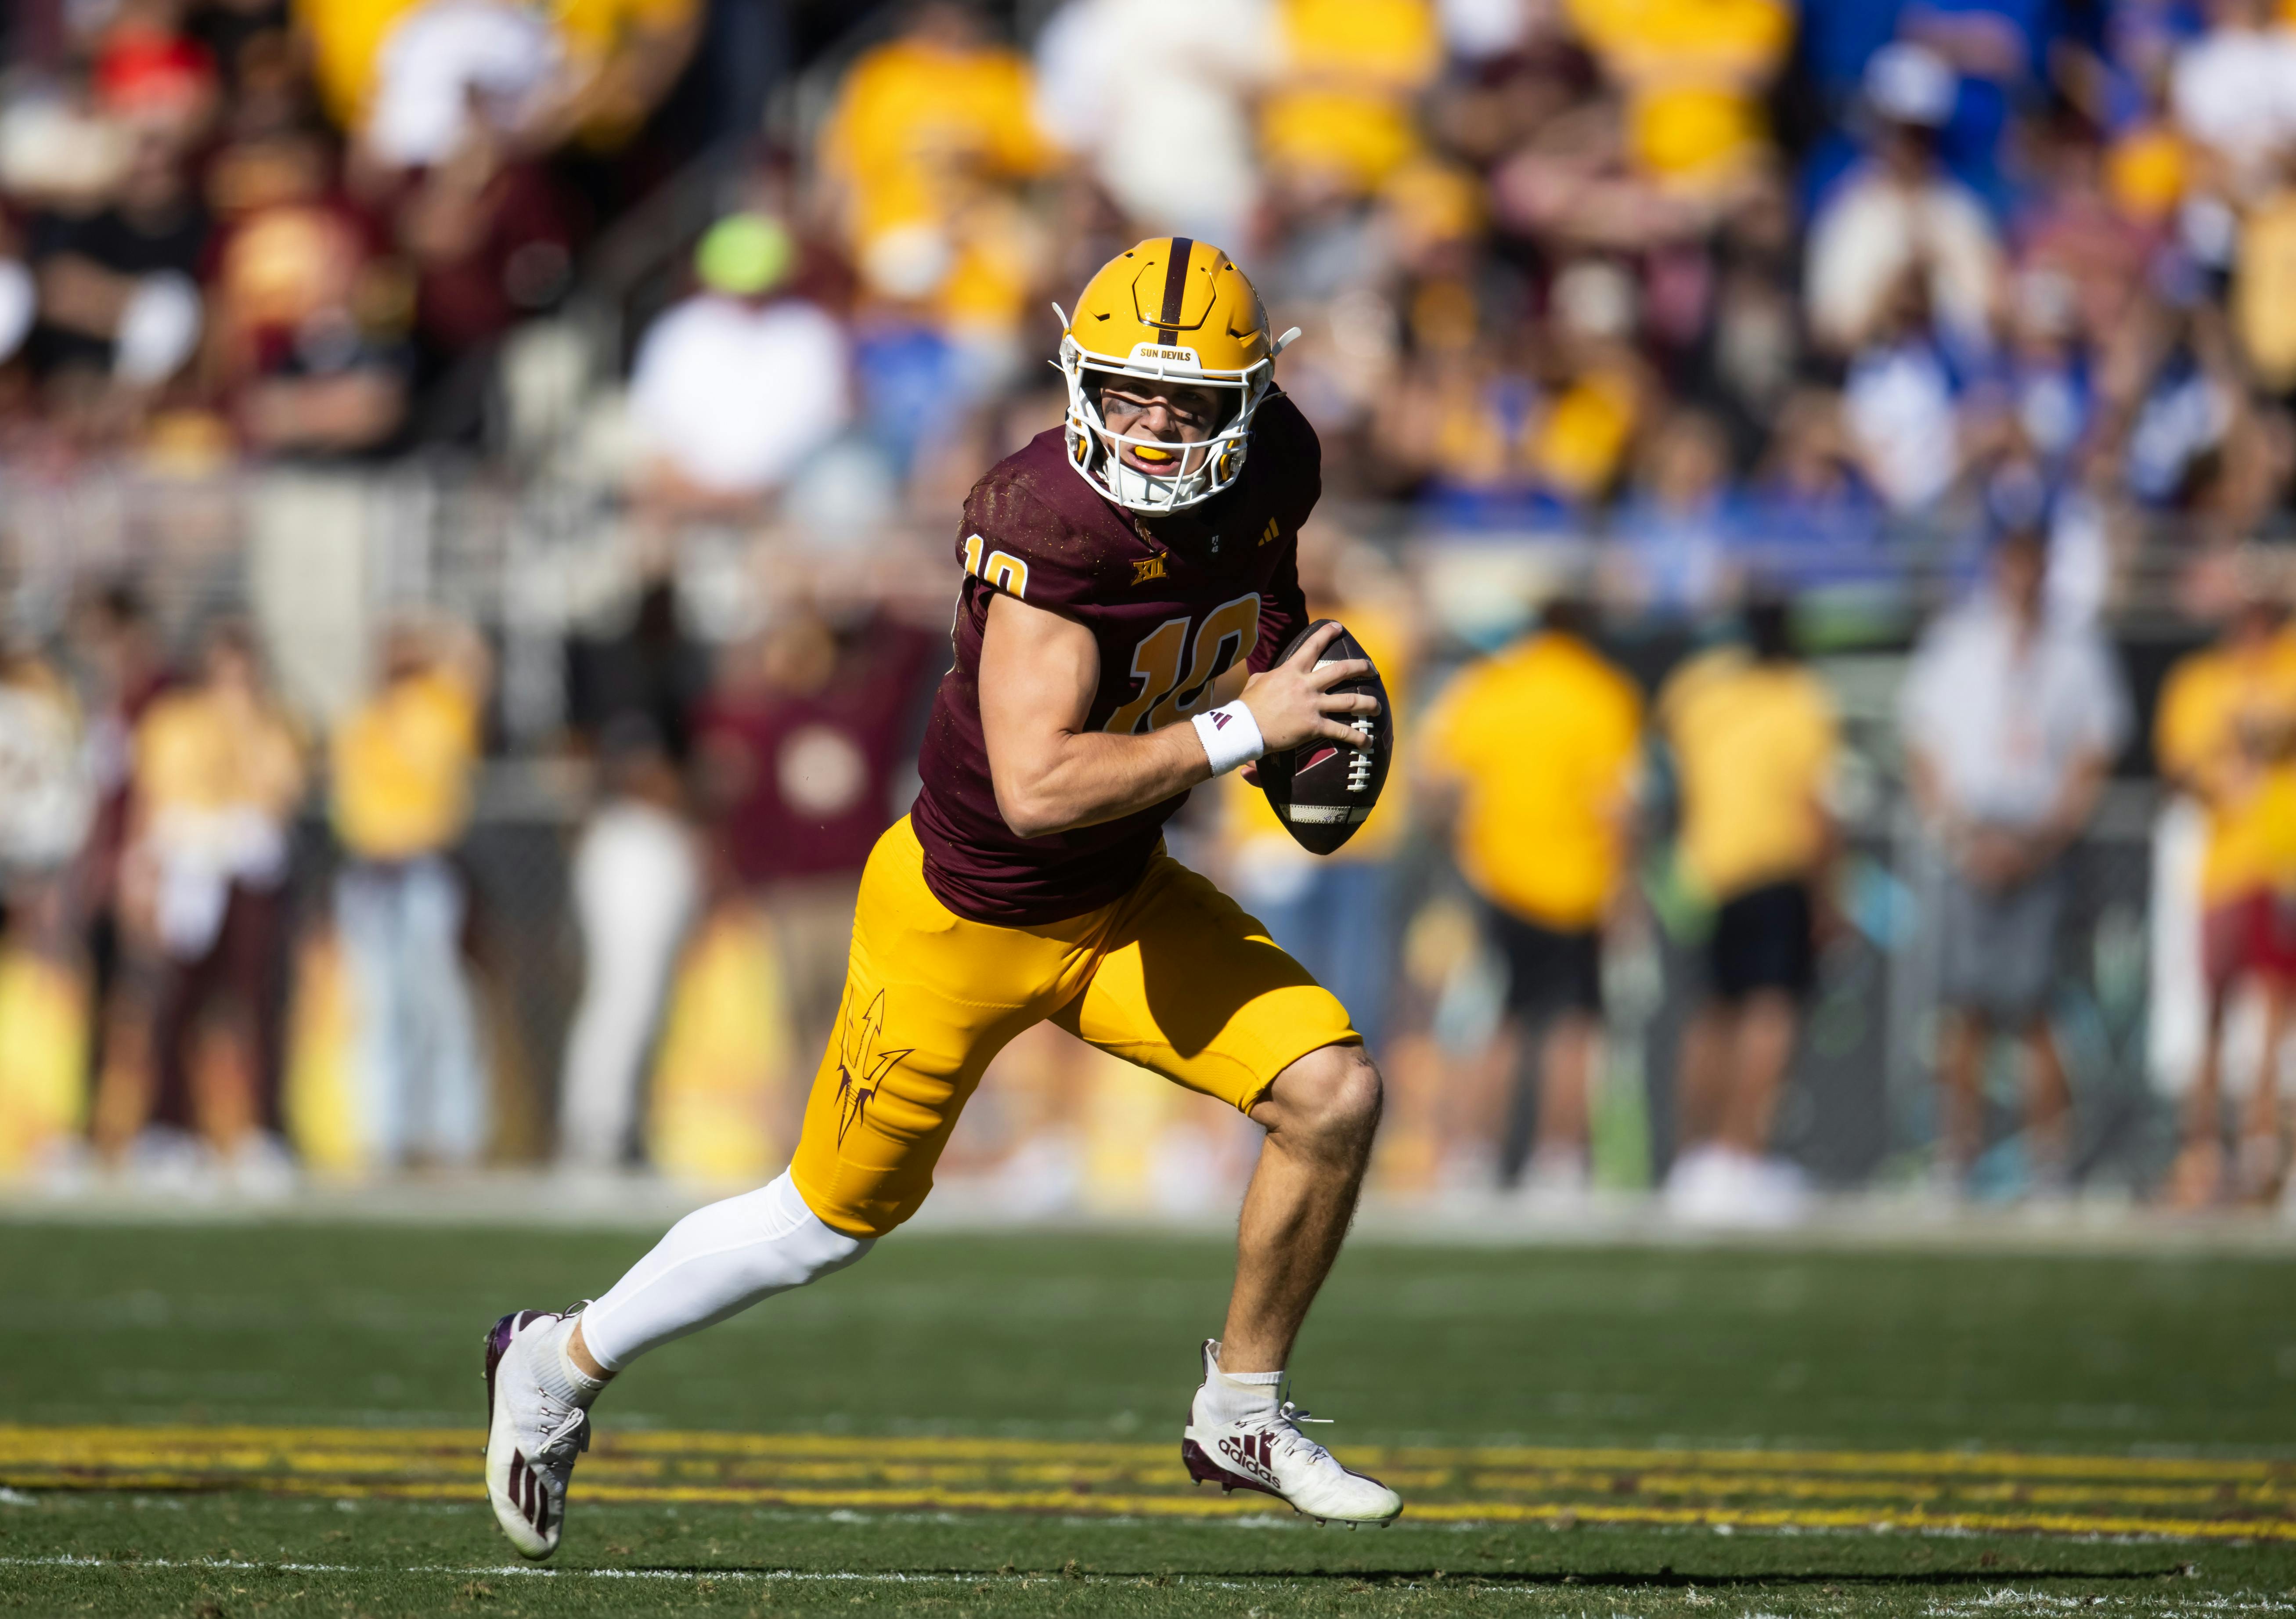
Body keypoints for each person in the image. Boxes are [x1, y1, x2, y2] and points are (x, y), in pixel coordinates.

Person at [479, 238, 1401, 1558]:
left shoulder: (1277, 465)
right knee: (822, 1221)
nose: (1151, 424)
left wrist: (1279, 702)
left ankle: (1241, 1407)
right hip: (964, 914)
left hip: (1122, 897)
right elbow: (1036, 786)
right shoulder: (1045, 520)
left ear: (1246, 404)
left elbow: (1261, 596)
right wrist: (1244, 732)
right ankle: (556, 1362)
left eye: (1184, 401)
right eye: (1127, 391)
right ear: (1077, 378)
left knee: (1334, 1094)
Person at [1900, 527, 2130, 1196]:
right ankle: (1955, 1155)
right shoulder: (1958, 642)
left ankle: (2047, 1160)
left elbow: (2093, 754)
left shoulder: (2077, 649)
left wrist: (2040, 840)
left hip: (2039, 845)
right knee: (1961, 1010)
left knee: (2036, 1007)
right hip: (1970, 840)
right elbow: (1924, 748)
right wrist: (1958, 834)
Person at [1423, 593, 1644, 1200]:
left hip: (1496, 880)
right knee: (1573, 1027)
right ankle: (1559, 1163)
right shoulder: (1603, 692)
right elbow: (1617, 805)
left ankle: (1471, 1158)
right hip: (1578, 885)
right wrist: (1624, 888)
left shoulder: (1493, 684)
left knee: (1496, 1025)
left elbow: (1440, 781)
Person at [1656, 595, 1841, 1226]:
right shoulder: (1797, 698)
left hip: (1704, 871)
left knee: (1711, 1013)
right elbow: (1815, 806)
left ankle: (1694, 1159)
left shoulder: (1702, 692)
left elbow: (1672, 738)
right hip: (1771, 867)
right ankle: (1738, 1158)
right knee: (1768, 1014)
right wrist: (1828, 894)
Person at [126, 623, 306, 1193]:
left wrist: (248, 727)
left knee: (258, 1003)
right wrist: (144, 874)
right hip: (190, 873)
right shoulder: (174, 722)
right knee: (178, 1005)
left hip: (248, 874)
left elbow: (281, 794)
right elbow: (154, 801)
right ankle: (169, 1128)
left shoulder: (275, 724)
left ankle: (264, 1133)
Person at [2152, 573, 2296, 1205]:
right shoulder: (2199, 679)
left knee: (2273, 1014)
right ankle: (2204, 1154)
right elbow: (2180, 767)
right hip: (2224, 869)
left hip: (2281, 860)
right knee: (2210, 1014)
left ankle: (2260, 1153)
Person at [330, 620, 488, 1168]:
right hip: (373, 874)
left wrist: (436, 646)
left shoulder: (439, 709)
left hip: (424, 870)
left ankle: (453, 1134)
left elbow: (473, 662)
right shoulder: (363, 719)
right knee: (378, 1009)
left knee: (440, 1005)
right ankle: (384, 1134)